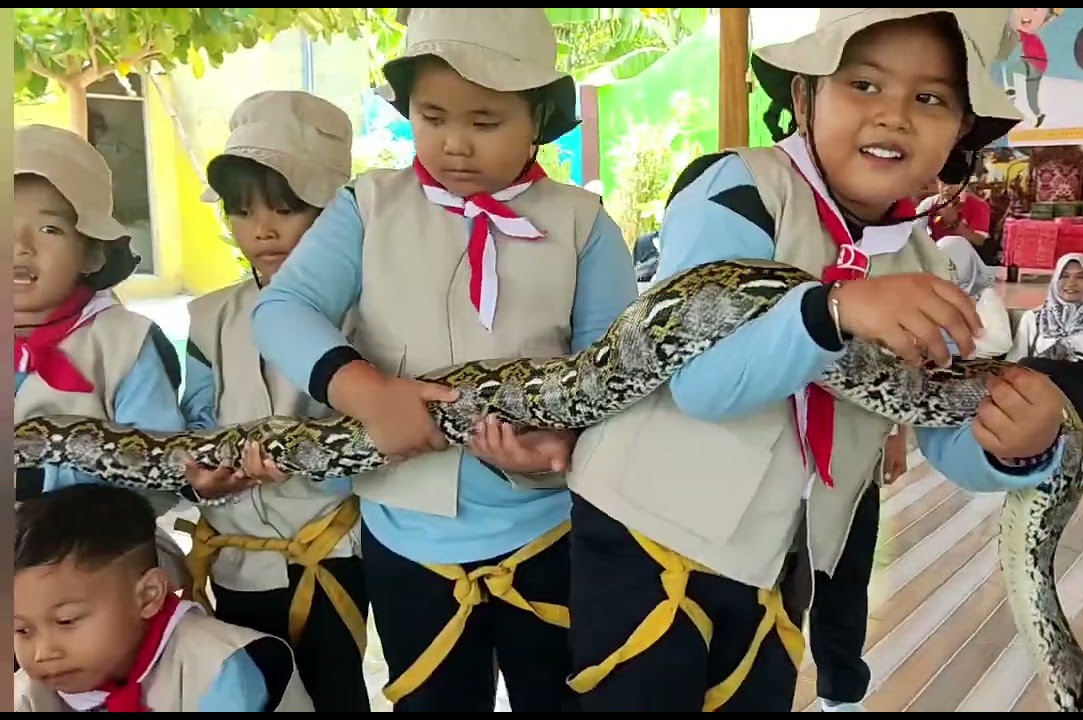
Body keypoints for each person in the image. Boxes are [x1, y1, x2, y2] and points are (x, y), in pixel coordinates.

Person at [562, 8, 1068, 712]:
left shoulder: (928, 265)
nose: (892, 115)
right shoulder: (736, 190)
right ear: (804, 97)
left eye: (929, 98)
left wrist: (1015, 443)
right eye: (863, 84)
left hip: (779, 561)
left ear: (960, 131)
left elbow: (937, 421)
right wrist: (834, 308)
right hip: (644, 535)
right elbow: (704, 385)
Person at [250, 8, 638, 712]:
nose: (454, 143)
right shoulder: (366, 207)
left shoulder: (583, 224)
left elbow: (614, 371)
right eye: (431, 117)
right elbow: (282, 309)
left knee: (561, 698)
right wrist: (364, 390)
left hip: (549, 532)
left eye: (485, 122)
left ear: (539, 115)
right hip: (407, 538)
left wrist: (567, 446)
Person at [177, 90, 370, 711]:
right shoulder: (209, 318)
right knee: (257, 694)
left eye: (287, 209)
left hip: (333, 552)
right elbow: (196, 423)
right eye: (241, 211)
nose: (262, 229)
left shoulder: (368, 310)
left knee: (335, 690)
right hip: (235, 555)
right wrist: (204, 481)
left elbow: (377, 435)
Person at [12, 124, 251, 591]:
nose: (20, 245)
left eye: (49, 228)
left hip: (103, 572)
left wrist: (39, 476)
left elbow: (158, 472)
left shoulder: (125, 342)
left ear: (92, 253)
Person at [13, 483, 314, 711]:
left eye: (66, 620)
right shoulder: (28, 694)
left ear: (148, 595)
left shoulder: (219, 669)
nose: (43, 653)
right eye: (21, 630)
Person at [1006, 253, 1083, 433]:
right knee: (1028, 370)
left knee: (1029, 364)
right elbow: (1015, 358)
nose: (1071, 283)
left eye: (1081, 277)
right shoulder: (1034, 317)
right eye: (1064, 276)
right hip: (1044, 383)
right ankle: (1071, 417)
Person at [937, 234, 1013, 358]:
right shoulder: (930, 295)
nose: (951, 271)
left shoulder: (985, 297)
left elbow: (1002, 343)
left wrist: (957, 346)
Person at [917, 176, 992, 250]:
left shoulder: (978, 205)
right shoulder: (930, 203)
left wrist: (955, 224)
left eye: (952, 184)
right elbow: (916, 228)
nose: (946, 188)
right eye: (943, 183)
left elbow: (979, 240)